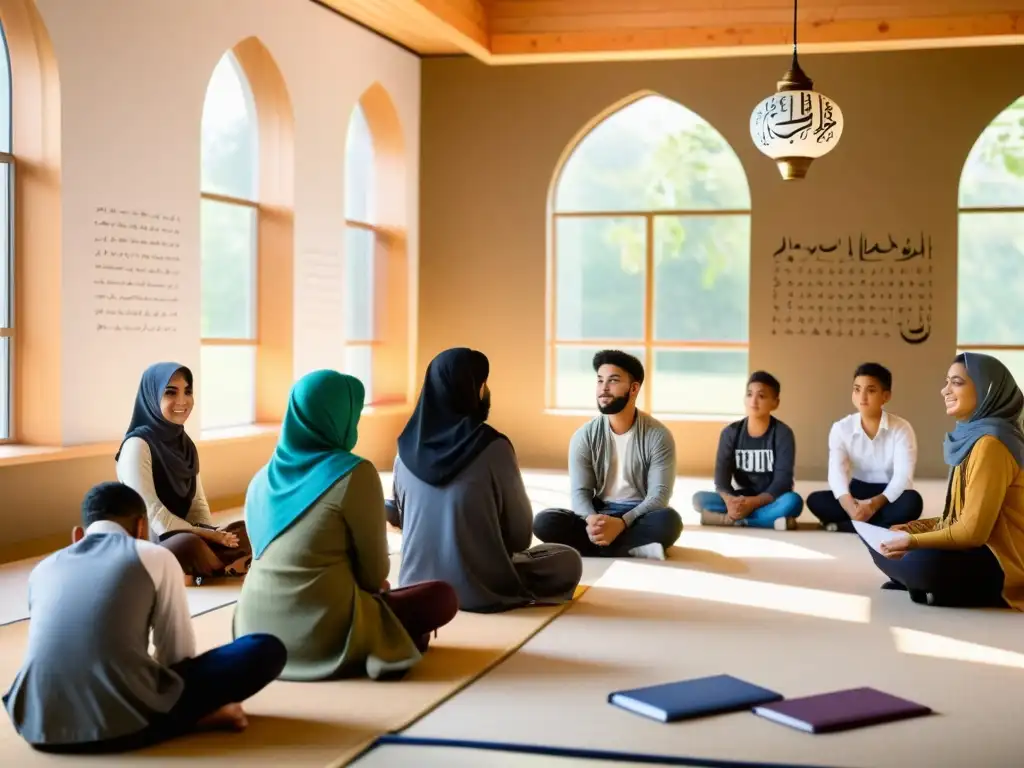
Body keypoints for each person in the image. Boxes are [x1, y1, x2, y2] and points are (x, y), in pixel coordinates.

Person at [3, 482, 285, 753]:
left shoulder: (43, 569)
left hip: (38, 728)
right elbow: (176, 657)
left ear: (78, 535)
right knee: (264, 648)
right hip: (124, 726)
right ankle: (190, 721)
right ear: (141, 528)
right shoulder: (152, 555)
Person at [234, 370, 458, 680]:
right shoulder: (355, 474)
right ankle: (386, 640)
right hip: (322, 635)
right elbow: (374, 574)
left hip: (253, 632)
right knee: (441, 596)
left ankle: (390, 633)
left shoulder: (260, 479)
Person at [392, 348, 582, 613]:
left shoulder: (403, 451)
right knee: (567, 559)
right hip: (480, 590)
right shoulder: (493, 446)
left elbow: (402, 519)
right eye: (483, 382)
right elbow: (519, 536)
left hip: (414, 586)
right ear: (474, 390)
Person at [869, 353, 1024, 609]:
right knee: (887, 537)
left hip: (1003, 561)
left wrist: (912, 542)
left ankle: (921, 579)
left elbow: (972, 533)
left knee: (923, 561)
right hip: (977, 549)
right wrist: (911, 530)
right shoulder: (972, 437)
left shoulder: (992, 443)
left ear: (986, 389)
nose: (945, 390)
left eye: (957, 383)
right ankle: (920, 580)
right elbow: (953, 519)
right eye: (946, 382)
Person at [533, 350, 682, 560]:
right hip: (600, 511)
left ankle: (596, 548)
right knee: (544, 521)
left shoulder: (658, 435)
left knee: (669, 521)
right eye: (600, 380)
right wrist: (592, 520)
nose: (603, 389)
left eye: (612, 381)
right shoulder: (584, 436)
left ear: (634, 388)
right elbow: (580, 492)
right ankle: (630, 549)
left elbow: (659, 496)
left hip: (639, 514)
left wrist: (621, 523)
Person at [116, 362, 251, 581]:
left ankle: (202, 568)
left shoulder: (185, 444)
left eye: (187, 391)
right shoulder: (137, 445)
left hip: (191, 533)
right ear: (152, 396)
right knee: (188, 544)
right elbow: (154, 514)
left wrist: (214, 534)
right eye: (171, 392)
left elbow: (198, 504)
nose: (182, 401)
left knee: (245, 529)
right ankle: (217, 566)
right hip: (154, 543)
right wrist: (202, 533)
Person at [806, 362, 923, 532]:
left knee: (912, 502)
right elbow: (837, 473)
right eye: (857, 389)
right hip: (857, 491)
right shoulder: (841, 428)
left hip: (887, 496)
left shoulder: (901, 428)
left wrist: (873, 505)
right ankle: (879, 525)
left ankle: (846, 526)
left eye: (871, 390)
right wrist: (849, 505)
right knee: (815, 500)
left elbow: (903, 478)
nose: (862, 397)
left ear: (886, 396)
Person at [693, 371, 803, 530]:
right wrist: (731, 501)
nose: (754, 401)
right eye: (749, 394)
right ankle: (770, 521)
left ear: (775, 403)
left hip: (771, 500)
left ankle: (736, 520)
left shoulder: (782, 434)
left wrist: (753, 503)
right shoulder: (730, 432)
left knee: (793, 502)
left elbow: (782, 482)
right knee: (699, 499)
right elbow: (721, 481)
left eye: (762, 396)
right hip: (740, 498)